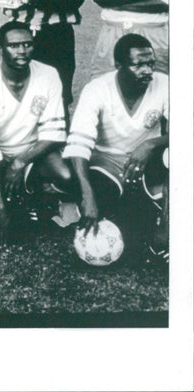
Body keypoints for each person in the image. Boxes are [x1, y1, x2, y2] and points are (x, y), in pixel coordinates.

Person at [0, 21, 70, 240]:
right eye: (14, 45)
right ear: (0, 49)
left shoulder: (49, 74)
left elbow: (53, 136)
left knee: (64, 174)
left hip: (32, 151)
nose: (22, 51)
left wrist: (19, 163)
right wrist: (0, 206)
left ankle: (33, 196)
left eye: (27, 44)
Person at [63, 34, 168, 260]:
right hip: (106, 164)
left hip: (147, 162)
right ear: (118, 65)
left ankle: (163, 228)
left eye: (151, 63)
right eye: (138, 64)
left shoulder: (165, 83)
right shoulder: (97, 89)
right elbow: (78, 144)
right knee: (99, 203)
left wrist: (150, 144)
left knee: (175, 158)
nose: (147, 70)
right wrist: (87, 195)